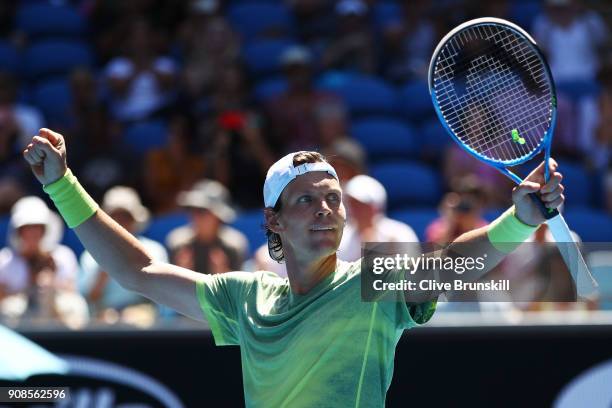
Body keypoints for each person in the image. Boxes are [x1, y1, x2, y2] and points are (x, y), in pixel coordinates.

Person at [23, 128, 566, 407]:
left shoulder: (375, 284)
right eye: (306, 200)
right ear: (273, 221)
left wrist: (516, 221)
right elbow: (138, 271)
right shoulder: (245, 299)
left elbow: (451, 264)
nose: (326, 209)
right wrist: (61, 186)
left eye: (333, 198)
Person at [80, 186, 168, 324]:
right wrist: (104, 269)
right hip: (104, 318)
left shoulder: (154, 250)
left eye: (126, 217)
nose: (120, 222)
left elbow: (164, 297)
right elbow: (89, 298)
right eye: (115, 217)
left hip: (145, 319)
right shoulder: (91, 253)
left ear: (135, 220)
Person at [0, 196, 87, 328]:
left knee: (75, 307)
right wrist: (29, 288)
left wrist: (49, 284)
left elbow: (71, 291)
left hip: (56, 313)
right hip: (20, 321)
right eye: (27, 228)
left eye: (37, 227)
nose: (33, 232)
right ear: (18, 231)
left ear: (45, 230)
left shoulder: (63, 256)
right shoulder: (5, 260)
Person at [166, 179, 248, 275]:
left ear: (218, 216)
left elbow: (240, 287)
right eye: (192, 209)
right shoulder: (177, 242)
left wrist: (223, 274)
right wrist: (180, 273)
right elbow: (168, 286)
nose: (195, 216)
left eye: (202, 211)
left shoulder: (234, 245)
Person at [338, 174, 420, 262]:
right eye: (352, 203)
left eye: (361, 204)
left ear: (375, 206)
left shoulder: (401, 233)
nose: (355, 208)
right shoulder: (342, 237)